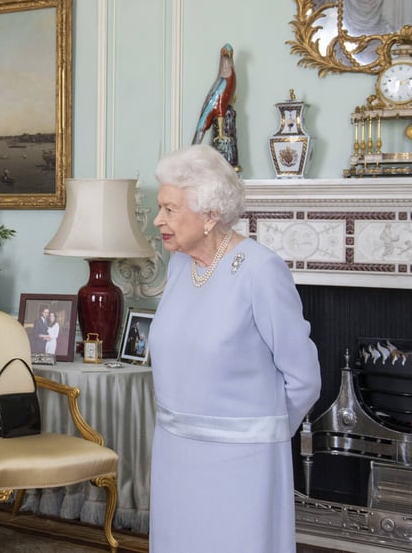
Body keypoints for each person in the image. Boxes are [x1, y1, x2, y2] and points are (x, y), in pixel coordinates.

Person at [148, 144, 320, 553]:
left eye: (170, 209)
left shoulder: (260, 270)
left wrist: (262, 434)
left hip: (243, 465)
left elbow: (304, 378)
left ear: (210, 215)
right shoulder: (179, 264)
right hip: (175, 454)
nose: (158, 220)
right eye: (161, 208)